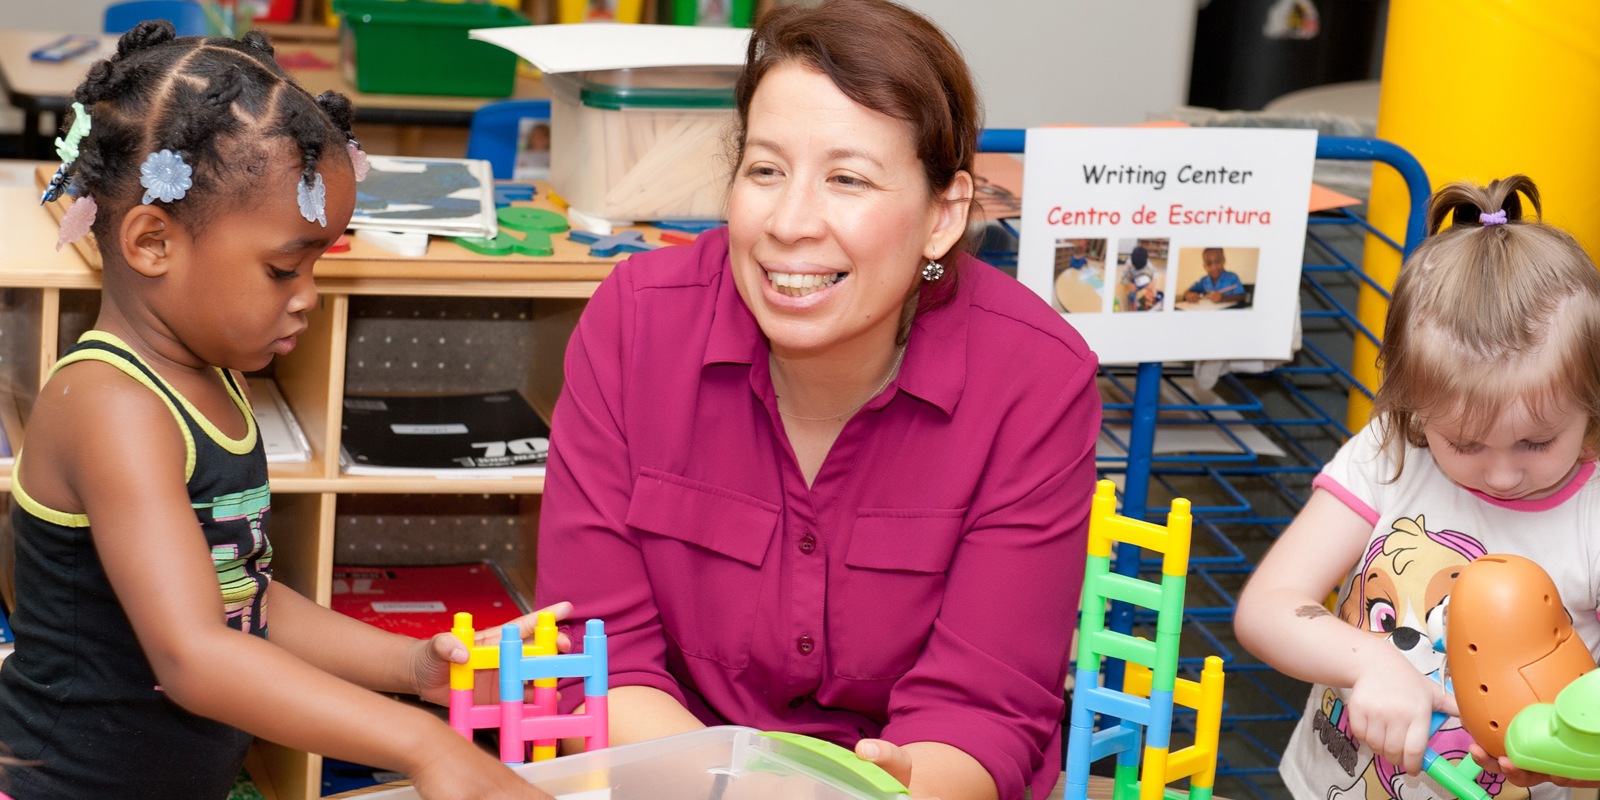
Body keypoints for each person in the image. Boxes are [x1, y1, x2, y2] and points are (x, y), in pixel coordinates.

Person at [496, 2, 1100, 798]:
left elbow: (984, 712)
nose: (787, 223)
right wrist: (738, 787)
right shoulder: (637, 324)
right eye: (765, 170)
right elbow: (601, 662)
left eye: (847, 178)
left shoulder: (1034, 377)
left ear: (942, 216)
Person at [0, 23, 548, 800]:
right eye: (285, 266)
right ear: (153, 242)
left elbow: (241, 601)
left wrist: (408, 667)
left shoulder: (213, 380)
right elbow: (196, 654)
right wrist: (424, 746)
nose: (309, 296)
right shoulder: (111, 409)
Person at [1234, 176, 1600, 800]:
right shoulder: (1392, 454)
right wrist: (1369, 661)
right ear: (1414, 408)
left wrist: (1575, 747)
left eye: (1537, 443)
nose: (1503, 473)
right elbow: (1267, 607)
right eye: (1464, 444)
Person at [1121, 245, 1162, 311]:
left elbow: (1155, 272)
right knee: (1134, 298)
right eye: (1136, 267)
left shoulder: (1146, 262)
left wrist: (1153, 282)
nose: (1139, 268)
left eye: (1141, 267)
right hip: (1133, 281)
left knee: (1150, 295)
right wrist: (1128, 284)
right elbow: (1123, 277)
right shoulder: (1129, 263)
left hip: (1144, 280)